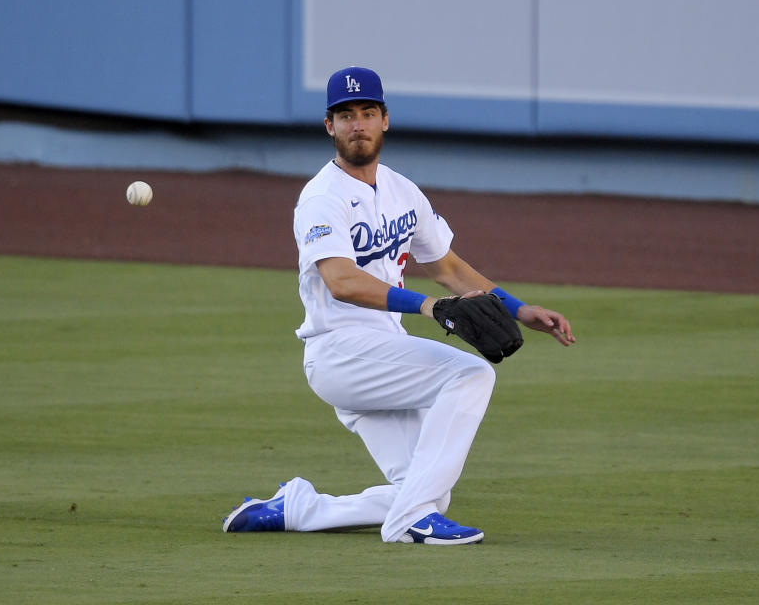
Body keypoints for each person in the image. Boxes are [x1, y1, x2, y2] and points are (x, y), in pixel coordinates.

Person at [223, 66, 575, 545]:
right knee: (471, 374)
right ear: (330, 127)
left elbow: (447, 266)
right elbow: (342, 281)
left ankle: (300, 509)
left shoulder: (401, 190)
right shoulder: (321, 199)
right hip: (340, 351)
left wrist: (519, 308)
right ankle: (409, 520)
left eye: (367, 112)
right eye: (345, 115)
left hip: (382, 351)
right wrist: (431, 307)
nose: (357, 124)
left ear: (384, 120)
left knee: (428, 490)